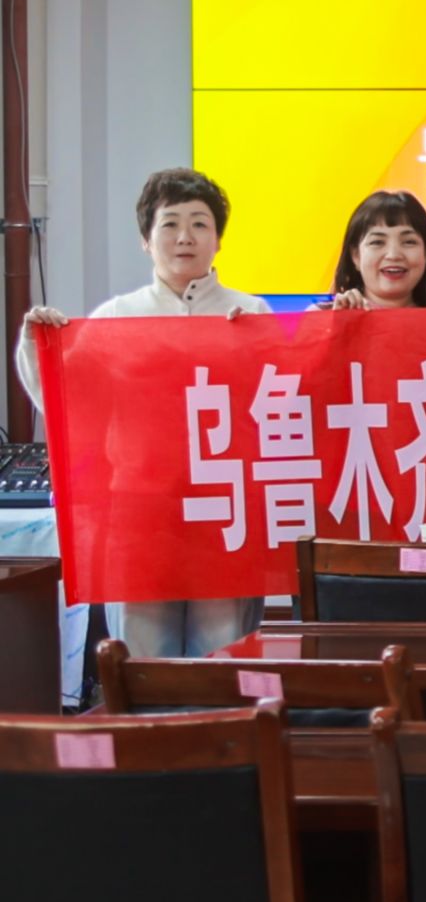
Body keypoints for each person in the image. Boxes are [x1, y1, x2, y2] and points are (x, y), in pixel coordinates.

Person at [15, 168, 266, 659]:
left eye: (200, 224)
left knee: (222, 652)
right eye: (170, 224)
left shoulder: (250, 312)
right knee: (144, 656)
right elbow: (67, 404)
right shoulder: (116, 316)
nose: (185, 237)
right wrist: (37, 344)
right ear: (146, 241)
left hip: (225, 512)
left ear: (218, 240)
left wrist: (257, 345)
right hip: (139, 512)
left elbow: (282, 406)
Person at [328, 191, 426, 310]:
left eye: (409, 242)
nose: (393, 255)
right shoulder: (325, 314)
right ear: (356, 256)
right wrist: (338, 321)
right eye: (377, 242)